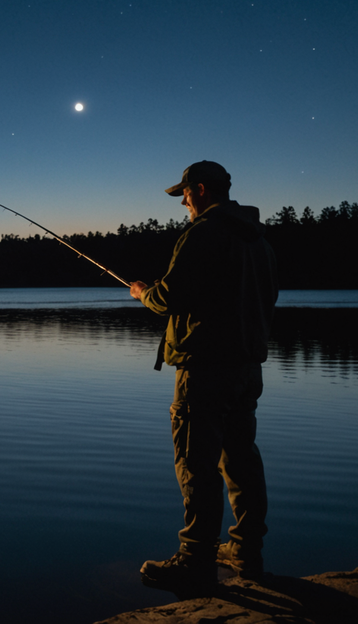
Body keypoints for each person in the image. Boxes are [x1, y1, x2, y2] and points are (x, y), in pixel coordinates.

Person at [129, 161, 278, 589]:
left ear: (200, 190)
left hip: (206, 370)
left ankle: (195, 558)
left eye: (185, 196)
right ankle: (246, 552)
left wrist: (143, 293)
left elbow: (171, 296)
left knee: (196, 465)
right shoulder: (259, 242)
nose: (184, 204)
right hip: (247, 369)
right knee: (241, 462)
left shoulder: (204, 233)